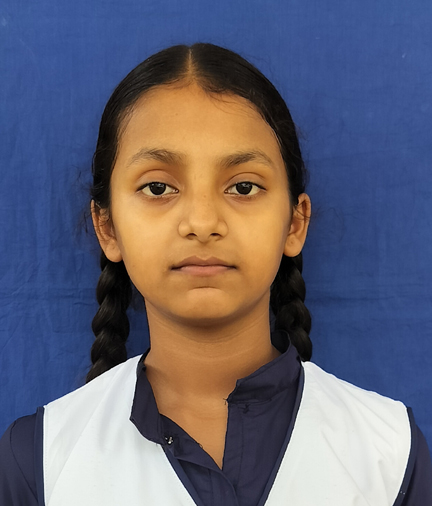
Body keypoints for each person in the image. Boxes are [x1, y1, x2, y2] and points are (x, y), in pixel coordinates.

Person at [0, 42, 431, 506]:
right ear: (108, 228)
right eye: (158, 187)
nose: (203, 223)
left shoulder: (389, 452)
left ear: (294, 223)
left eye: (243, 186)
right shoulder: (39, 461)